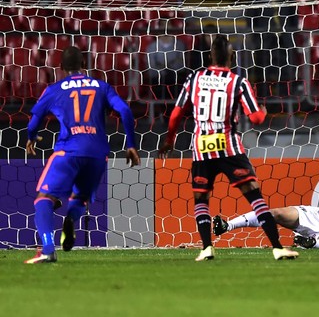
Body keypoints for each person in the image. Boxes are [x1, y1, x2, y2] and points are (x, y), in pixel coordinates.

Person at [157, 36, 298, 261]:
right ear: (232, 56)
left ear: (210, 55)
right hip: (229, 146)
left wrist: (170, 140)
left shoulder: (195, 78)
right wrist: (262, 110)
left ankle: (206, 248)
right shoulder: (238, 82)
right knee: (254, 195)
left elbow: (176, 113)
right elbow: (256, 119)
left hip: (202, 147)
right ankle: (277, 247)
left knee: (201, 198)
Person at [24, 46, 140, 264]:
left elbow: (34, 120)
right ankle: (71, 220)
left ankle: (48, 248)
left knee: (44, 199)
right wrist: (131, 144)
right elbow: (125, 110)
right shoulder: (102, 86)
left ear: (60, 67)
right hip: (97, 154)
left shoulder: (55, 89)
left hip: (68, 151)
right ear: (84, 65)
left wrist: (32, 136)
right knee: (81, 198)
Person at [146, 34, 188, 99]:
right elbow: (152, 70)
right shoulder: (152, 47)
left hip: (176, 79)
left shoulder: (179, 45)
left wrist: (162, 66)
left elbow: (181, 66)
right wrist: (170, 65)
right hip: (158, 80)